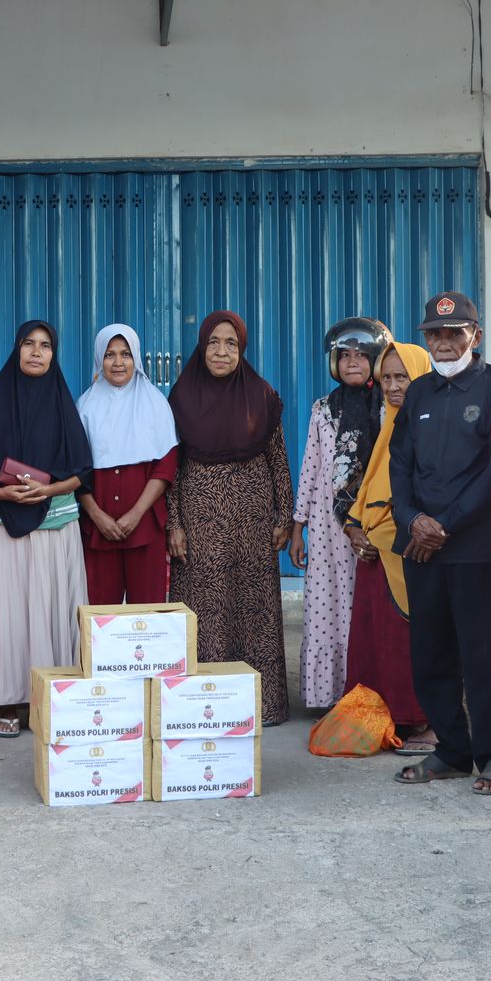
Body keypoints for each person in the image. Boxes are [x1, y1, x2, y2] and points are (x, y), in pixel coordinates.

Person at [391, 293, 491, 794]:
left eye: (454, 333)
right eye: (435, 335)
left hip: (475, 547)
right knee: (431, 654)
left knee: (485, 656)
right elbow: (400, 464)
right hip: (420, 547)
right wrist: (412, 520)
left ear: (475, 336)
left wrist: (443, 525)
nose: (443, 343)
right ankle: (452, 750)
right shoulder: (419, 392)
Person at [166, 310, 294, 726]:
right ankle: (202, 707)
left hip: (253, 518)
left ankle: (261, 704)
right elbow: (171, 469)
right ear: (202, 347)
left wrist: (285, 514)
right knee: (205, 607)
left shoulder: (261, 394)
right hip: (200, 517)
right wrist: (174, 523)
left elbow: (278, 458)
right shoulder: (181, 397)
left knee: (255, 608)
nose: (221, 352)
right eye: (214, 343)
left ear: (242, 349)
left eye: (231, 344)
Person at [0, 320, 92, 737]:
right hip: (2, 523)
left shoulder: (63, 405)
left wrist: (48, 489)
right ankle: (8, 703)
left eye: (45, 346)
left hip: (54, 524)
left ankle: (54, 700)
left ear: (54, 354)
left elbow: (82, 471)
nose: (37, 352)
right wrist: (0, 493)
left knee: (51, 610)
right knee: (8, 614)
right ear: (16, 349)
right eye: (28, 344)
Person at [292, 317, 389, 710]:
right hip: (326, 523)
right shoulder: (323, 409)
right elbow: (311, 467)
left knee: (368, 604)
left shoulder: (388, 406)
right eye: (345, 355)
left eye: (361, 356)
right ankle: (327, 695)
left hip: (376, 520)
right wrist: (298, 527)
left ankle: (369, 692)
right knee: (327, 603)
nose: (352, 362)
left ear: (376, 361)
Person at [343, 340, 434, 750]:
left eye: (403, 378)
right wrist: (355, 530)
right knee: (375, 641)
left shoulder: (429, 426)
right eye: (387, 378)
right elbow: (367, 492)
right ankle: (383, 714)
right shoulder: (389, 426)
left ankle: (421, 718)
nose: (394, 387)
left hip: (409, 553)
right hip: (375, 556)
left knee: (410, 641)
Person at [75, 323, 178, 605]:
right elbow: (74, 470)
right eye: (109, 355)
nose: (118, 362)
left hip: (145, 527)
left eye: (126, 354)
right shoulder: (84, 406)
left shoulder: (155, 404)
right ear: (99, 359)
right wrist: (97, 515)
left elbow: (165, 466)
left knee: (147, 612)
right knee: (99, 613)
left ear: (137, 358)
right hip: (98, 529)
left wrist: (136, 513)